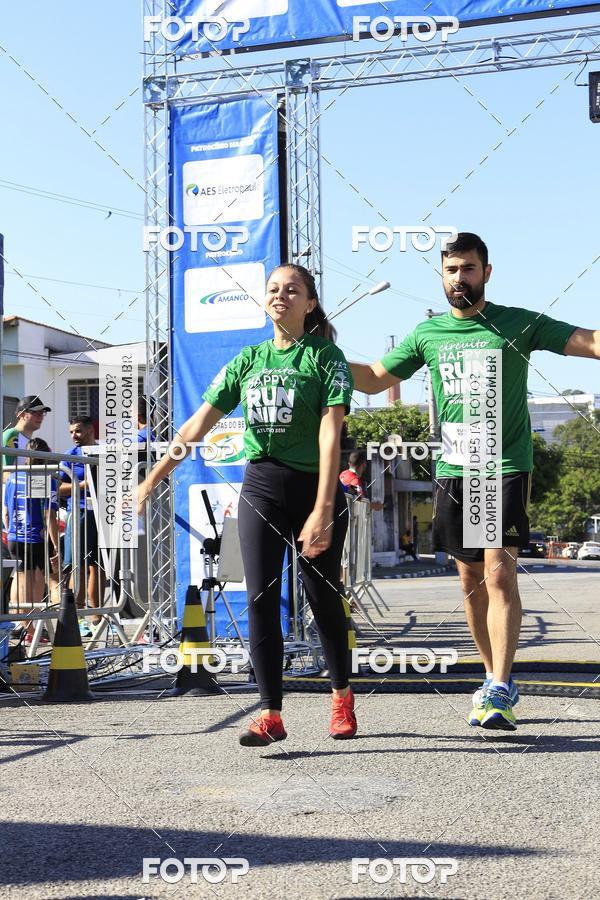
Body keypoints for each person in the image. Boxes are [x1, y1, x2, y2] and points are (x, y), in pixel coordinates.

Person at [349, 231, 600, 731]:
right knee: (469, 580)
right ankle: (489, 678)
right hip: (454, 469)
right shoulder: (429, 334)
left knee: (499, 572)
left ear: (486, 272)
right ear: (442, 276)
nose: (459, 278)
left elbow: (588, 342)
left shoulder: (519, 323)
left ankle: (502, 686)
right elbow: (375, 378)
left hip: (501, 466)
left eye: (467, 268)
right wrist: (323, 357)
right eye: (450, 270)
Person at [138, 263, 357, 746]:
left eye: (292, 290)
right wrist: (152, 479)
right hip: (260, 486)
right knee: (260, 597)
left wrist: (323, 507)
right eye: (273, 289)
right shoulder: (248, 360)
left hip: (313, 487)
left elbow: (330, 432)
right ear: (265, 300)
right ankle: (270, 713)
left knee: (321, 598)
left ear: (310, 303)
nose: (281, 295)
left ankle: (341, 694)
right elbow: (196, 426)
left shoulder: (326, 356)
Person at [3, 438, 59, 645]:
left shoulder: (13, 477)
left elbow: (6, 512)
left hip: (14, 536)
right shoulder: (45, 478)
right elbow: (49, 516)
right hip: (33, 536)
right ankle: (30, 626)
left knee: (19, 578)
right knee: (35, 581)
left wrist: (10, 531)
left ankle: (19, 624)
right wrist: (56, 546)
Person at [58, 415, 105, 637]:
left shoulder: (104, 451)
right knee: (76, 563)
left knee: (99, 564)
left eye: (77, 431)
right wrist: (84, 484)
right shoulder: (69, 456)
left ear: (89, 429)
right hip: (78, 512)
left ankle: (98, 616)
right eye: (71, 432)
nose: (74, 436)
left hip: (103, 514)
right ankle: (76, 614)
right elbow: (58, 488)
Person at [2, 395, 51, 471]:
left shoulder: (33, 442)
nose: (41, 416)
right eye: (35, 412)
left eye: (42, 412)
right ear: (21, 414)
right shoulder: (11, 435)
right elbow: (5, 473)